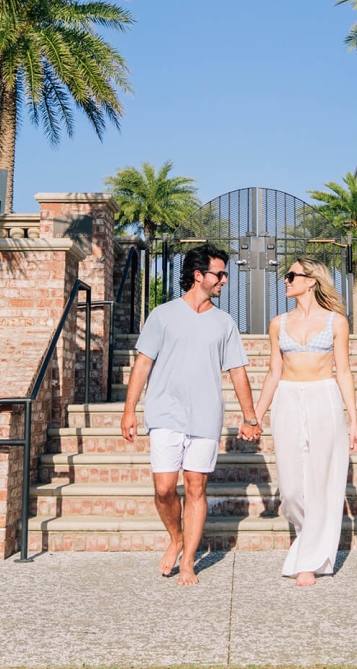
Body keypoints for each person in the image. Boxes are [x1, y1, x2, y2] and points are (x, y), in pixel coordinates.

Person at [121, 241, 262, 585]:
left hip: (206, 415)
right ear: (199, 276)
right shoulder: (163, 315)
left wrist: (250, 416)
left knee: (196, 488)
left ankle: (187, 562)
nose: (224, 280)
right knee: (165, 487)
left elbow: (238, 371)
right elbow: (143, 364)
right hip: (165, 411)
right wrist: (129, 410)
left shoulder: (225, 323)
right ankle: (176, 537)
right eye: (220, 274)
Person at [254, 257, 357, 586]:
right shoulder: (278, 323)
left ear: (311, 280)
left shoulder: (336, 322)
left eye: (291, 275)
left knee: (321, 482)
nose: (285, 281)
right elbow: (274, 372)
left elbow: (343, 371)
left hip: (324, 397)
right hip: (287, 398)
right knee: (290, 488)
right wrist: (254, 416)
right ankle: (307, 540)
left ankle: (308, 560)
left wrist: (354, 420)